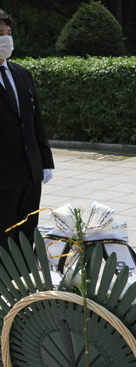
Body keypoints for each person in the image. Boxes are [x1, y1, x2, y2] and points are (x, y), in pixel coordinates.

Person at [0, 9, 54, 251]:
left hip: (30, 173)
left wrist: (45, 161)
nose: (6, 39)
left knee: (27, 232)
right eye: (0, 33)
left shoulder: (22, 73)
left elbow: (35, 122)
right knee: (4, 234)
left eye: (8, 33)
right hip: (3, 175)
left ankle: (25, 278)